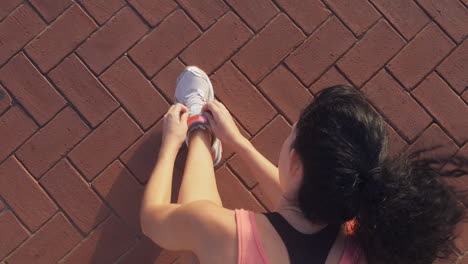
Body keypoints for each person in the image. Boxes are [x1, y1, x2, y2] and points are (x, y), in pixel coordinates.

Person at [140, 66, 467, 264]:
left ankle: (198, 133)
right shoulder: (366, 249)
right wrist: (240, 143)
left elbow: (153, 221)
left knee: (197, 228)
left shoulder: (220, 232)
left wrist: (169, 145)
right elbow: (295, 201)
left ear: (294, 161)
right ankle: (210, 139)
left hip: (219, 241)